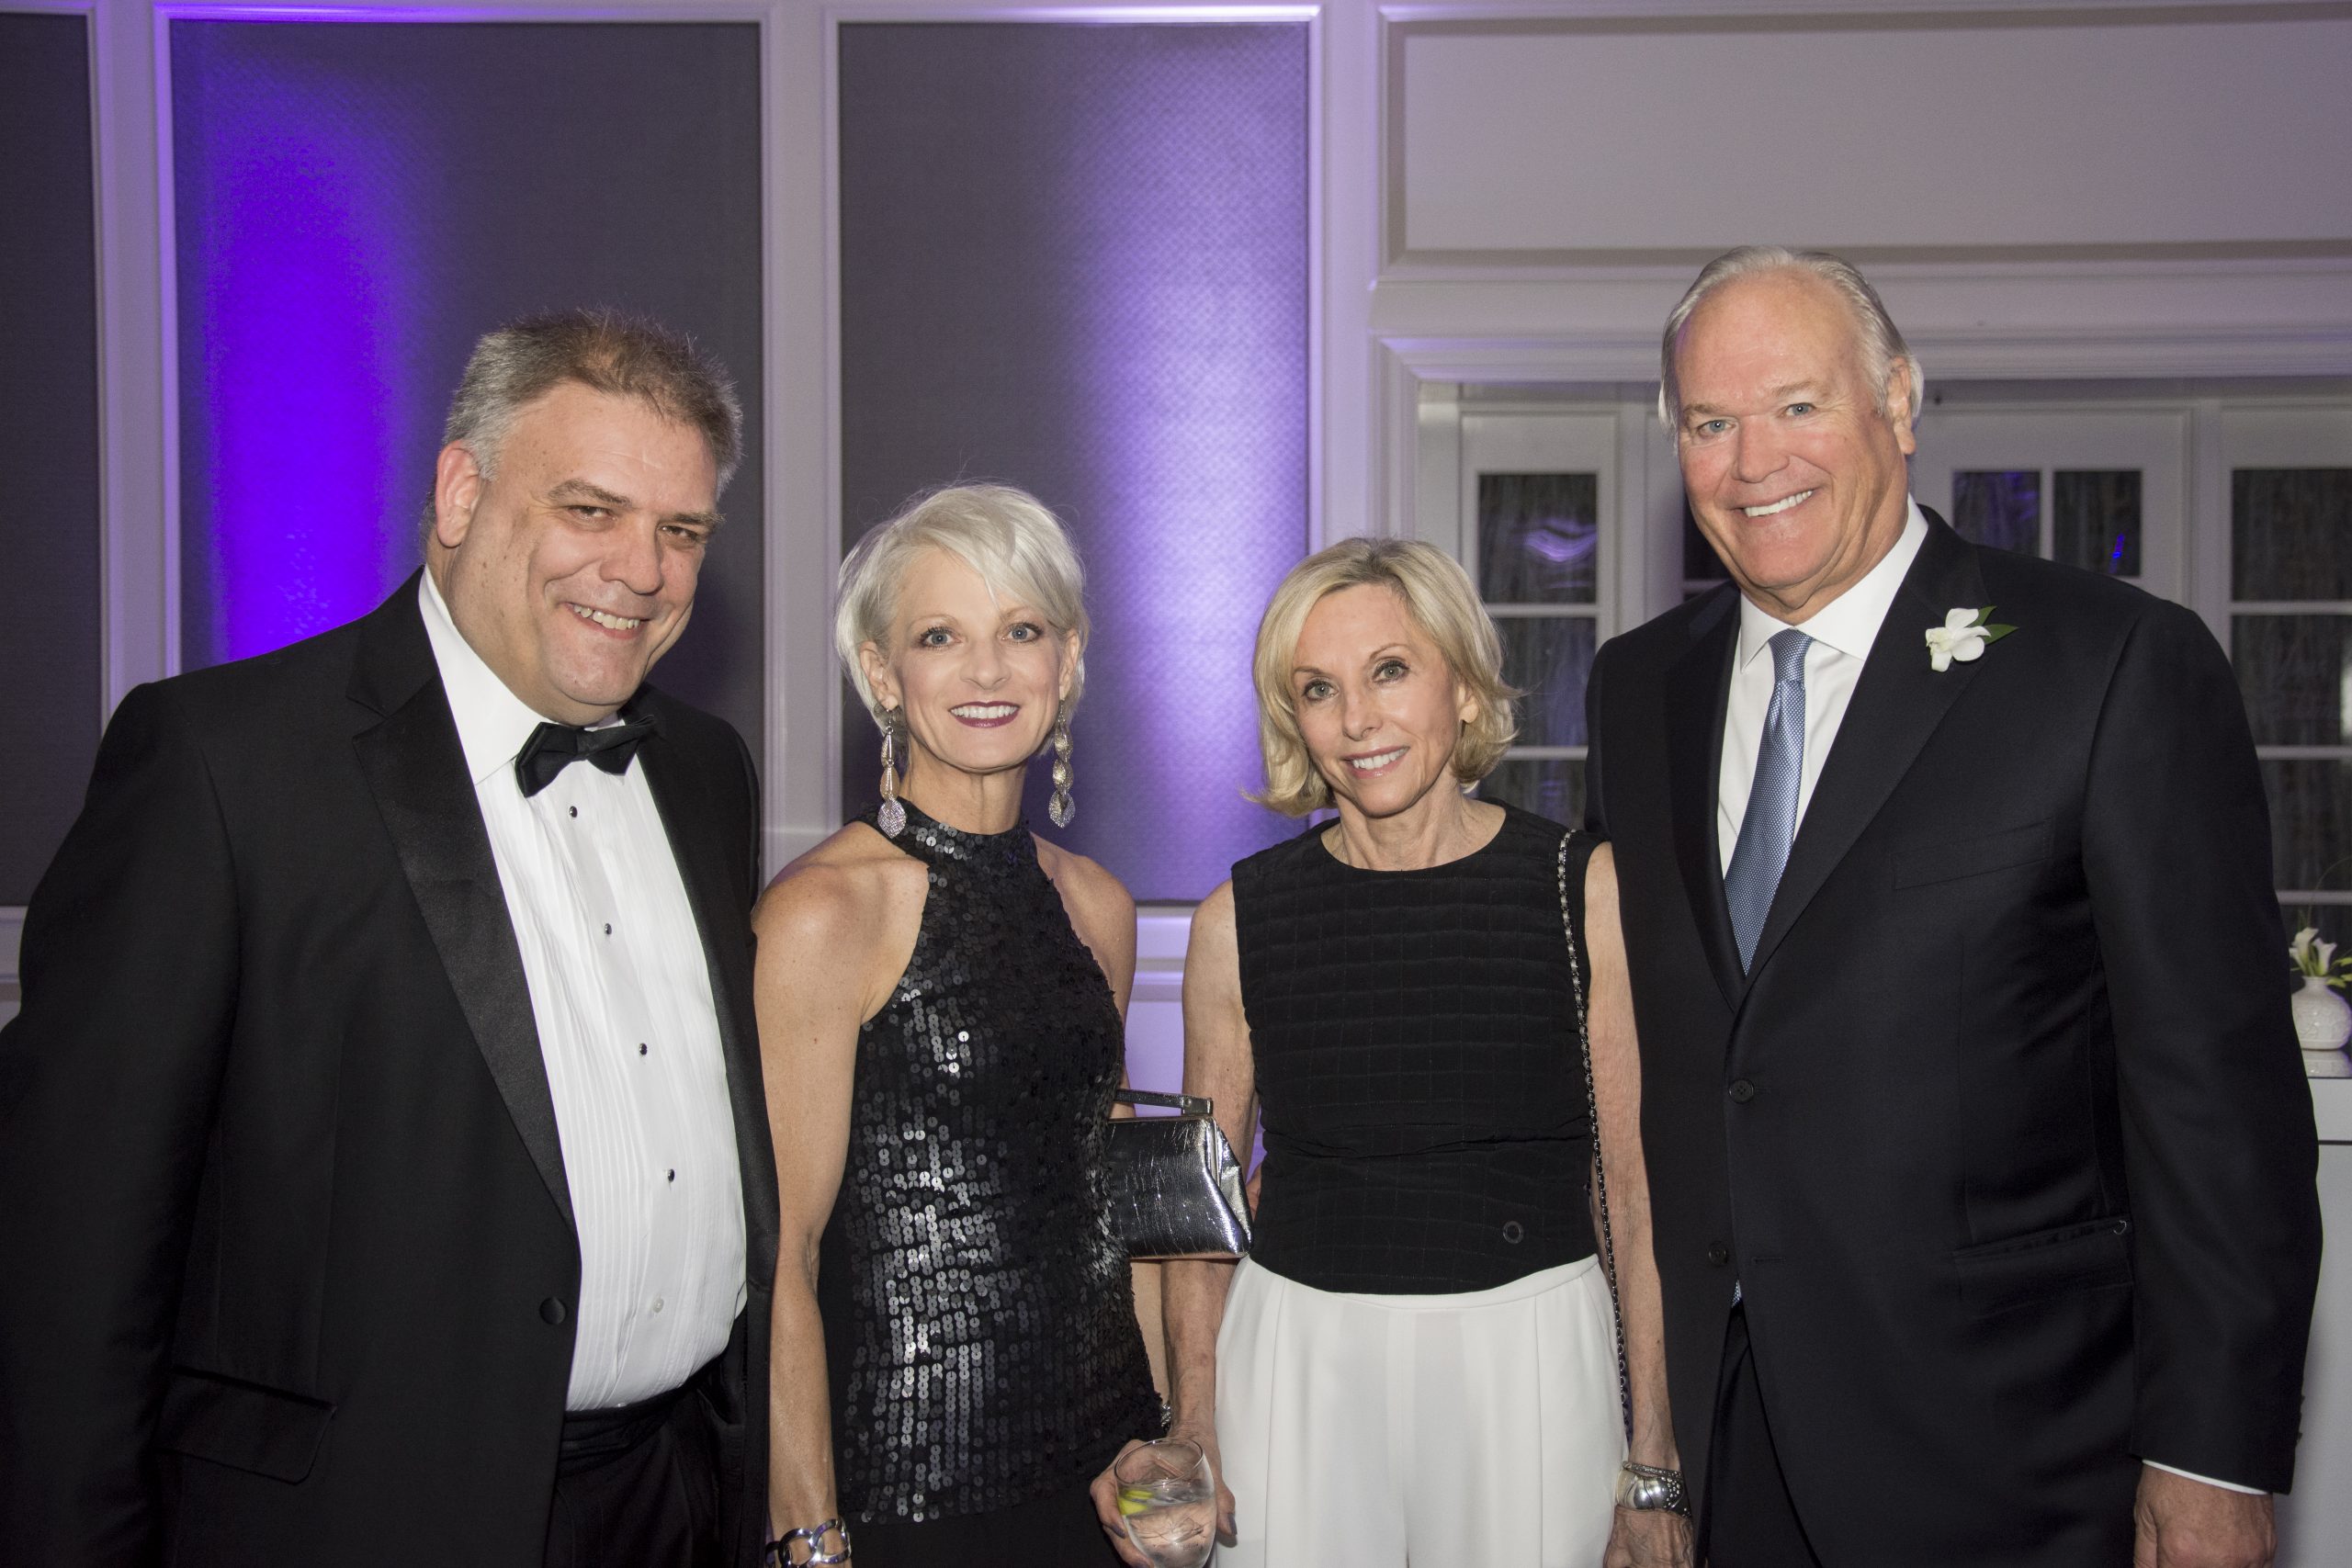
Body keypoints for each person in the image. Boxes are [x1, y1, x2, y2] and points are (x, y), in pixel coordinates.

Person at [0, 310, 779, 1567]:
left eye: (681, 531)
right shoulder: (222, 764)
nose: (642, 570)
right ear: (462, 493)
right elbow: (70, 1262)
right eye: (590, 509)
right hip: (363, 1517)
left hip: (675, 1501)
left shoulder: (704, 771)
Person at [1583, 246, 2323, 1566]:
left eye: (1797, 405)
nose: (1754, 462)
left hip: (2018, 1451)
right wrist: (1655, 1457)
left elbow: (2218, 1099)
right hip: (1730, 1444)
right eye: (1709, 423)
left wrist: (2211, 1454)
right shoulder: (1640, 690)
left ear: (1899, 402)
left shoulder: (2108, 664)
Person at [1116, 536, 1690, 1568]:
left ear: (1463, 688)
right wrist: (1193, 1427)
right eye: (1318, 689)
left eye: (1390, 671)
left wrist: (1654, 1458)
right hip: (1297, 1364)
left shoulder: (1581, 888)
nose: (1357, 719)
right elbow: (1198, 1214)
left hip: (1530, 1364)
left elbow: (1633, 1192)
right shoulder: (1237, 920)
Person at [754, 485, 1163, 1567]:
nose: (987, 672)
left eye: (1020, 631)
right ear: (884, 674)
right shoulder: (823, 912)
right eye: (941, 636)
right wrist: (806, 1533)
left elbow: (1106, 1205)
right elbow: (782, 1255)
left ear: (1066, 663)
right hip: (902, 1499)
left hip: (1101, 1477)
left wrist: (1160, 1439)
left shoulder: (1097, 906)